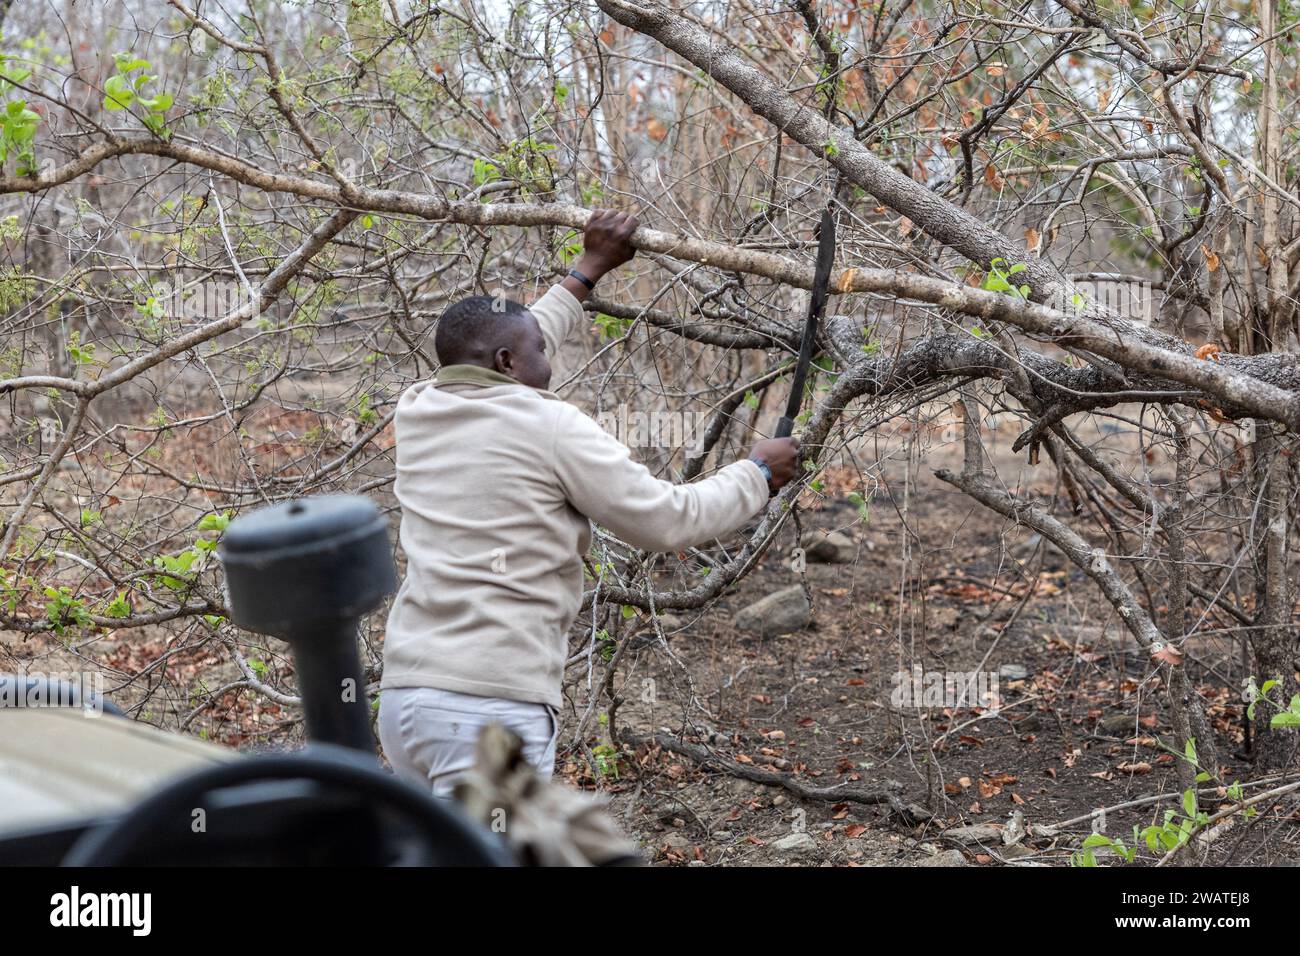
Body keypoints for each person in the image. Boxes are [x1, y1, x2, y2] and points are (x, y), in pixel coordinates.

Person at [379, 209, 801, 795]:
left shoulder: (418, 406)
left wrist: (588, 270)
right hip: (489, 711)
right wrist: (758, 473)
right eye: (538, 353)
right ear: (506, 363)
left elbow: (526, 333)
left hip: (408, 703)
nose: (549, 363)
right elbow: (665, 519)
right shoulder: (549, 424)